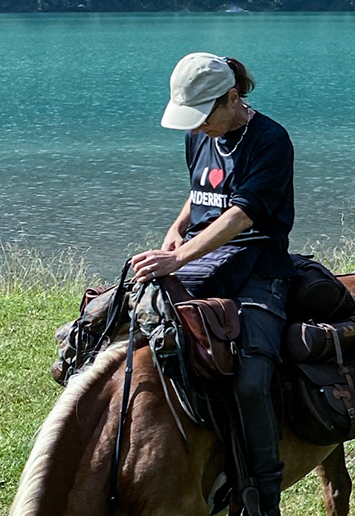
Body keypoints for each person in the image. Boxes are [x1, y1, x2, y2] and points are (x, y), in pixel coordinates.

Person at [131, 53, 296, 516]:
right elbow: (200, 192)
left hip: (258, 266)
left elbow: (241, 214)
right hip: (202, 258)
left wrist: (178, 257)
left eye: (204, 115)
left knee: (250, 379)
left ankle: (263, 494)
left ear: (231, 97)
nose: (198, 126)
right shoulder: (199, 135)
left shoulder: (270, 140)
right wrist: (176, 228)